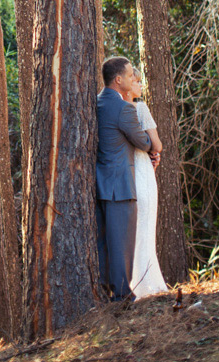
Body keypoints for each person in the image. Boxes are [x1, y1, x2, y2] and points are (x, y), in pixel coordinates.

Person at [96, 56, 156, 301]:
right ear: (118, 80)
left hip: (101, 183)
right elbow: (144, 142)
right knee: (122, 244)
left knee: (104, 244)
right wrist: (153, 146)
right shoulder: (123, 109)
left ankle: (104, 291)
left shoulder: (97, 102)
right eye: (131, 75)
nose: (134, 78)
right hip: (120, 186)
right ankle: (122, 296)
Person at [123, 68, 168, 297]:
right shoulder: (139, 108)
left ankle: (135, 285)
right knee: (145, 228)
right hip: (142, 173)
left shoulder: (112, 110)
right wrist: (153, 150)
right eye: (137, 81)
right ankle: (147, 285)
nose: (141, 86)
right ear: (126, 84)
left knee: (134, 230)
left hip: (127, 174)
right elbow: (157, 144)